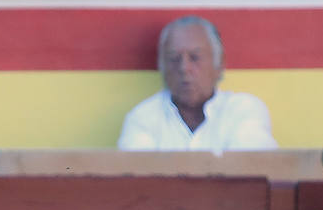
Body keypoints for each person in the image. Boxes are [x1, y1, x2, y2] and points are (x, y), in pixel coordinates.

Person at [117, 16, 277, 153]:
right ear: (162, 66)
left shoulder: (243, 110)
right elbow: (139, 182)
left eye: (195, 57)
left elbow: (249, 173)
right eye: (174, 58)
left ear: (219, 64)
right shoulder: (142, 118)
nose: (184, 68)